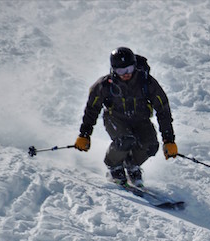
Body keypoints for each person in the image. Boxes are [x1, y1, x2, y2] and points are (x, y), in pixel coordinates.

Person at [74, 47, 178, 186]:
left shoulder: (147, 83)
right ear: (113, 70)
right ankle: (114, 166)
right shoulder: (104, 85)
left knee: (151, 145)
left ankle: (132, 164)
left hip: (140, 120)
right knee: (125, 140)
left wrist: (168, 139)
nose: (125, 74)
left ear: (134, 66)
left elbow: (163, 110)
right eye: (120, 71)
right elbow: (92, 109)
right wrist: (84, 134)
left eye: (128, 69)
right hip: (115, 118)